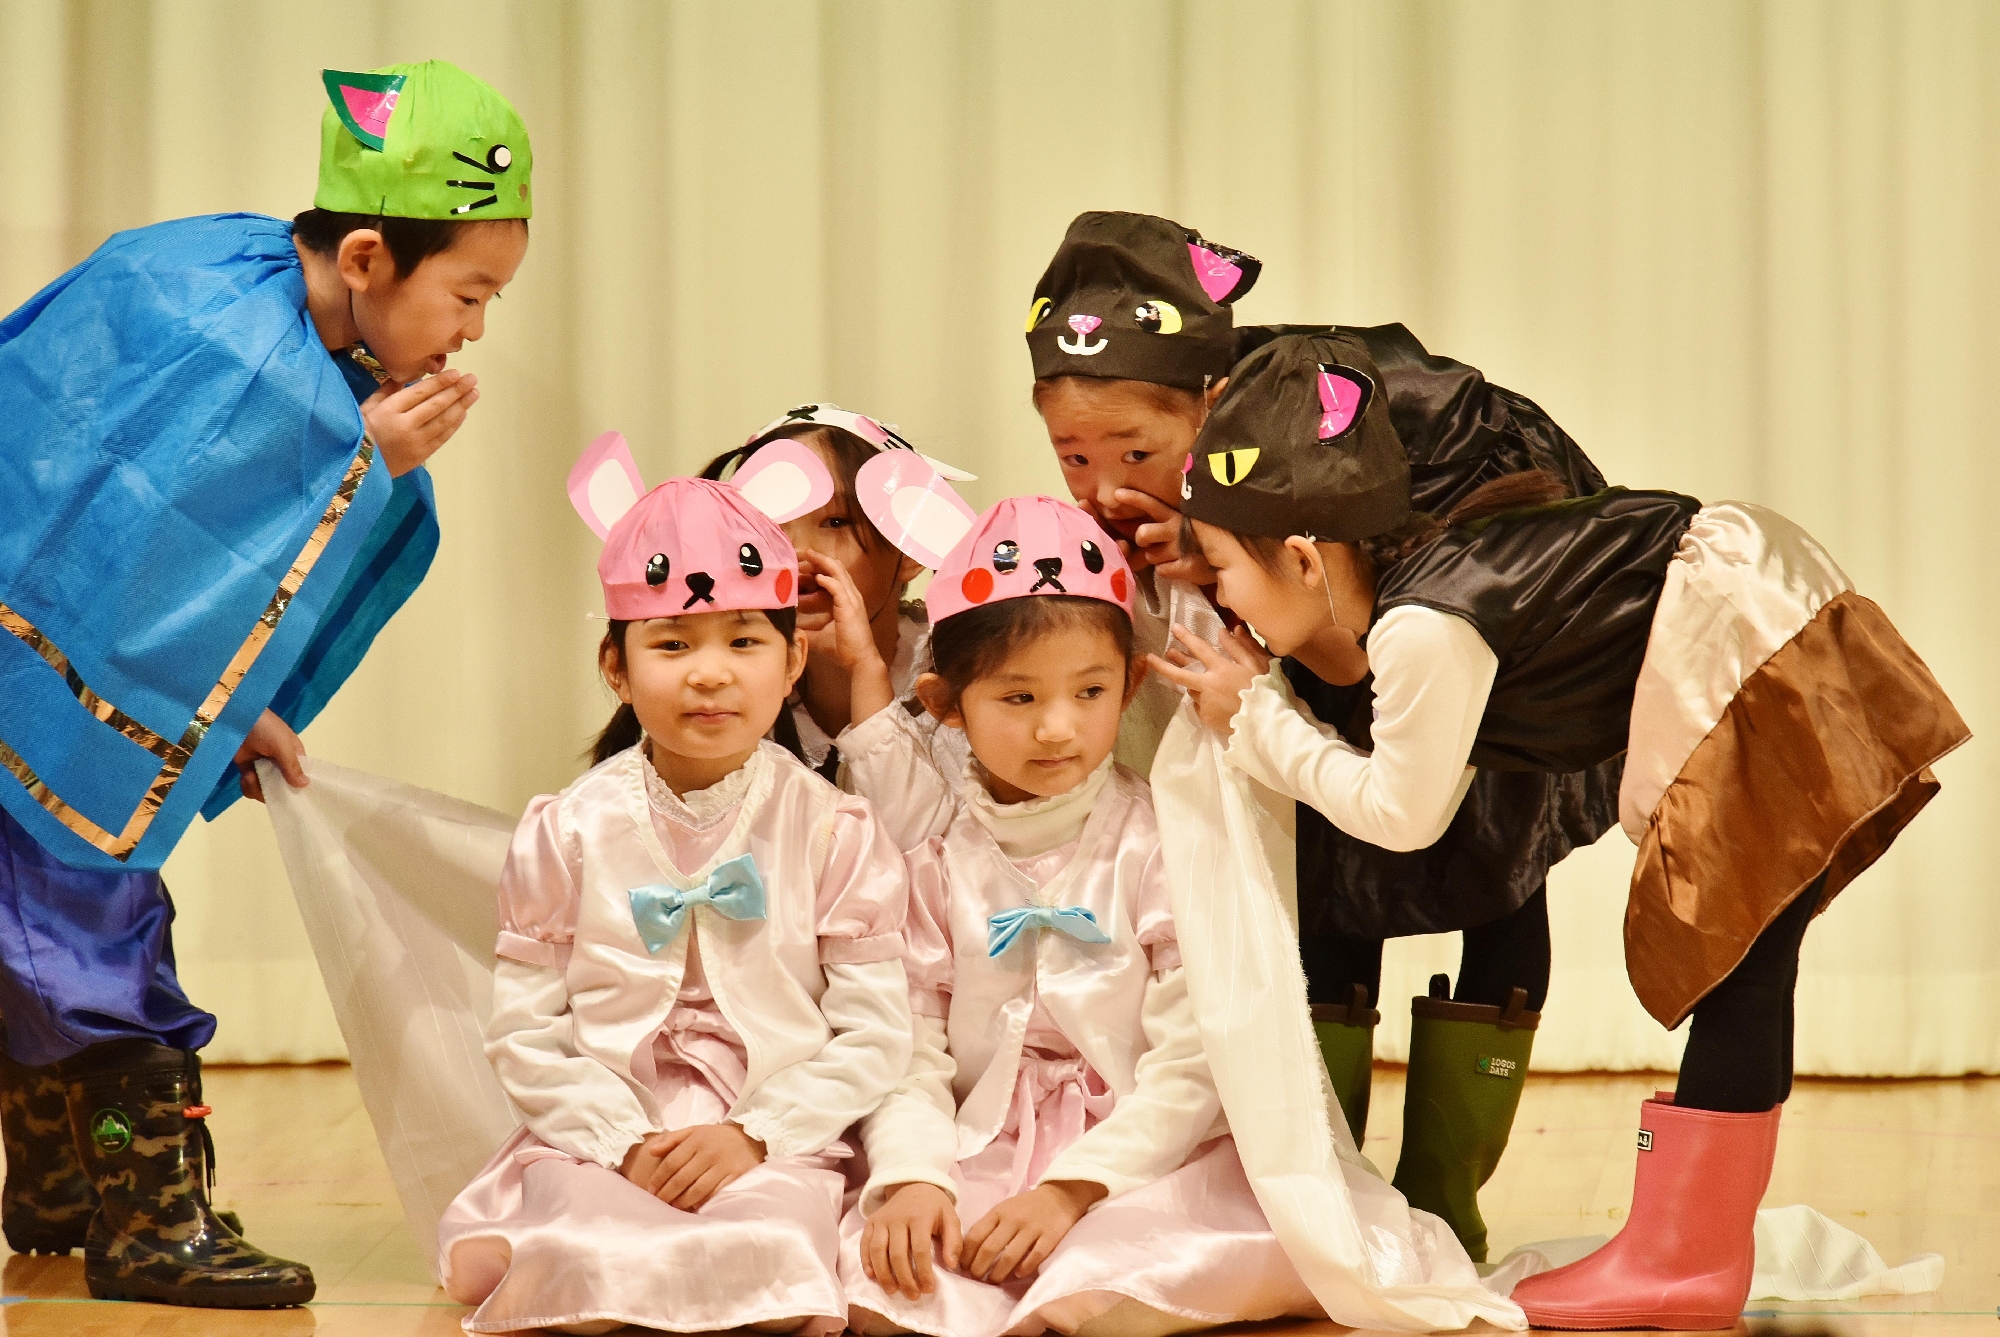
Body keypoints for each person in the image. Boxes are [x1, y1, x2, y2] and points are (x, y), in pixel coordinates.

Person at [1155, 333, 1969, 1330]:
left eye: (1220, 565)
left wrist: (1255, 718)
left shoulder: (1423, 625)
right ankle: (1691, 1251)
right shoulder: (1417, 590)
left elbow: (1401, 817)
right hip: (1756, 608)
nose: (1216, 591)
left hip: (1744, 634)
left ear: (1298, 557)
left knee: (1734, 956)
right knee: (1750, 957)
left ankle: (1683, 1258)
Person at [0, 60, 531, 1306]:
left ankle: (61, 1187)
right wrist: (360, 461)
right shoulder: (229, 338)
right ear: (366, 256)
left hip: (31, 659)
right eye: (466, 294)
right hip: (29, 675)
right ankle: (147, 1224)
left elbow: (164, 568)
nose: (472, 330)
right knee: (88, 923)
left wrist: (230, 701)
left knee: (42, 920)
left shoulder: (217, 268)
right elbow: (135, 533)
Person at [1023, 209, 1616, 1260]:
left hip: (1469, 599)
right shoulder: (1183, 467)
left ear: (1210, 402)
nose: (1103, 486)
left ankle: (1444, 1190)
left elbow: (1360, 629)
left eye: (1136, 453)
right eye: (1071, 456)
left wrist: (1216, 540)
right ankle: (1324, 1174)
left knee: (1495, 866)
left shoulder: (1309, 423)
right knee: (1326, 870)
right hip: (1319, 614)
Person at [820, 494, 1328, 1337]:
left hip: (1145, 1155)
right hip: (980, 1146)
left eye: (1089, 690)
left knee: (1104, 1288)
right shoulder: (934, 860)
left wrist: (1073, 1187)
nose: (1058, 728)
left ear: (1130, 685)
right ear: (947, 703)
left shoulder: (1160, 842)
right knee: (885, 1290)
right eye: (1019, 697)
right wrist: (914, 1175)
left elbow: (1195, 1054)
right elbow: (909, 1040)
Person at [437, 471, 915, 1336]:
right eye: (672, 644)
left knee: (772, 1257)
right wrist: (619, 1139)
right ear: (616, 667)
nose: (710, 673)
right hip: (605, 1132)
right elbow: (524, 1030)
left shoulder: (834, 829)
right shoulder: (568, 828)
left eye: (744, 641)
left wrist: (758, 1132)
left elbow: (876, 1031)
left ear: (793, 661)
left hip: (777, 1130)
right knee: (588, 1260)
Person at [700, 405, 974, 784]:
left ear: (909, 550)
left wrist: (865, 668)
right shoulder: (719, 678)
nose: (797, 550)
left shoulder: (962, 677)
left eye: (835, 521)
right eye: (767, 525)